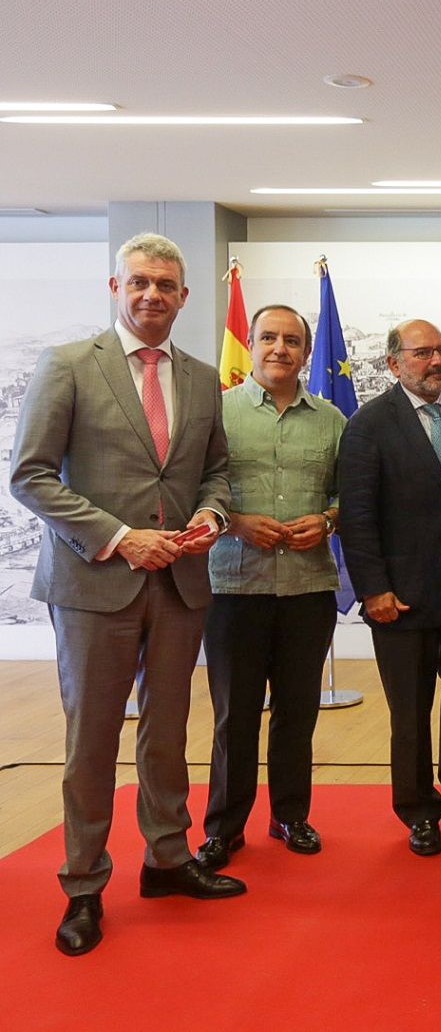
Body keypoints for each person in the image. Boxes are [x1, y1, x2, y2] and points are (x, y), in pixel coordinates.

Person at [11, 232, 242, 957]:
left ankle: (168, 858)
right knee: (92, 739)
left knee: (167, 731)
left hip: (177, 581)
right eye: (139, 282)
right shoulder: (70, 366)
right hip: (93, 582)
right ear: (116, 289)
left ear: (183, 297)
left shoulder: (204, 379)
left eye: (166, 285)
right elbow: (32, 475)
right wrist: (118, 535)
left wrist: (211, 516)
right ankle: (83, 884)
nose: (152, 295)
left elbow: (216, 474)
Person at [195, 305, 346, 871]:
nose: (279, 348)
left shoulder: (332, 420)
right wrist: (235, 522)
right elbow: (190, 490)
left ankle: (290, 816)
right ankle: (223, 829)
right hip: (235, 587)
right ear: (250, 345)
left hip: (308, 589)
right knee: (234, 715)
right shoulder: (216, 413)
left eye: (291, 340)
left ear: (307, 352)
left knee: (297, 710)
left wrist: (328, 522)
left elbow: (351, 496)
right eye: (268, 338)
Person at [337, 319, 441, 857]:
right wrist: (372, 588)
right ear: (393, 363)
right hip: (401, 596)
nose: (436, 361)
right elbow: (358, 518)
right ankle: (418, 809)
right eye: (423, 352)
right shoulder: (368, 425)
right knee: (411, 712)